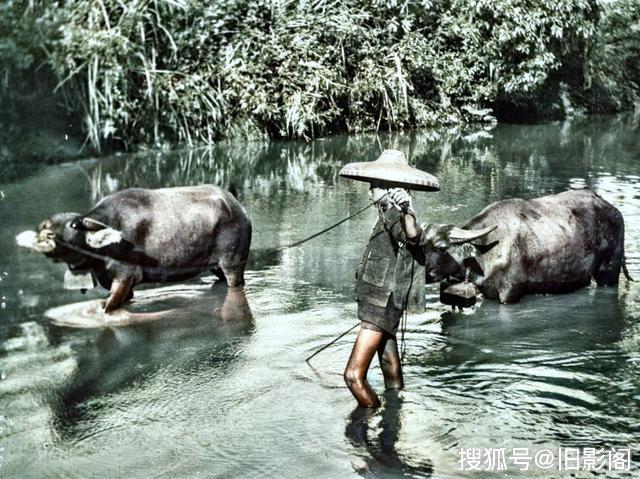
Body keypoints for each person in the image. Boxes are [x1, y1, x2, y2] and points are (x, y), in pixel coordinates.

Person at [343, 183, 425, 407]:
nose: (369, 192)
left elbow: (413, 236)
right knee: (389, 363)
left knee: (352, 377)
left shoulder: (397, 215)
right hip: (382, 302)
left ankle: (370, 415)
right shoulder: (384, 214)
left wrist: (407, 210)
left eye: (376, 187)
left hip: (380, 305)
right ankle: (394, 417)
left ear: (390, 189)